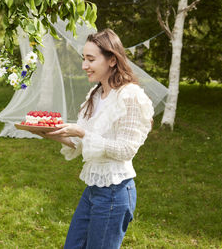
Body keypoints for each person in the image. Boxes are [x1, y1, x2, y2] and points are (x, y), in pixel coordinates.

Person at [31, 28, 154, 249]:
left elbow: (126, 150)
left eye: (90, 59)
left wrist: (82, 133)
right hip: (94, 188)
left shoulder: (130, 96)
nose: (84, 65)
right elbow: (80, 144)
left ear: (112, 61)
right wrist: (51, 134)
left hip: (116, 193)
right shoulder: (95, 96)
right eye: (83, 59)